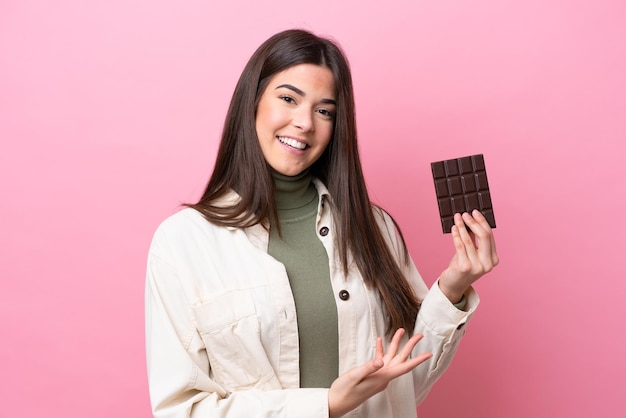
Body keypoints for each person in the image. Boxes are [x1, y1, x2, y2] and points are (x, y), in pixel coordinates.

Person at [145, 29, 499, 418]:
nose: (304, 123)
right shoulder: (183, 242)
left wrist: (452, 288)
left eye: (324, 110)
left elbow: (403, 386)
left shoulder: (374, 229)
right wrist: (325, 406)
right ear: (252, 103)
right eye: (288, 99)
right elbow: (182, 410)